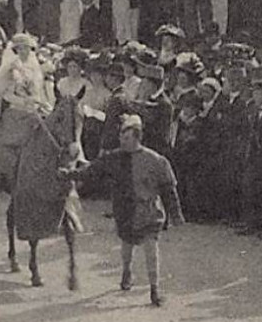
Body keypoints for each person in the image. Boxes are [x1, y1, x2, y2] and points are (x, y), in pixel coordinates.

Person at [69, 112, 184, 306]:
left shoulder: (156, 161)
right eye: (121, 136)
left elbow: (168, 188)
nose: (122, 140)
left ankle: (154, 289)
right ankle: (126, 272)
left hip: (149, 212)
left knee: (151, 250)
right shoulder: (114, 158)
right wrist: (70, 174)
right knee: (127, 247)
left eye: (127, 137)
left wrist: (176, 213)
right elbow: (92, 171)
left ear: (137, 138)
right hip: (125, 212)